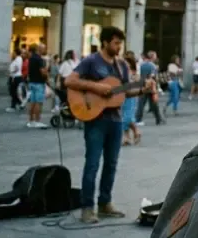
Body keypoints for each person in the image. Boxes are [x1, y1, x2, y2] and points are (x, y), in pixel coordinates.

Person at [64, 27, 152, 224]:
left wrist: (141, 90)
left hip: (116, 120)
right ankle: (87, 207)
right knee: (93, 163)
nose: (118, 47)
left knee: (111, 164)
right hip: (95, 119)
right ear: (104, 42)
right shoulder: (91, 61)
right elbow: (69, 81)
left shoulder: (121, 65)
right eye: (115, 43)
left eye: (120, 43)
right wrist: (96, 87)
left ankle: (105, 203)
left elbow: (122, 92)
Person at [137, 51, 163, 125]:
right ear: (152, 57)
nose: (156, 57)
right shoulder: (153, 66)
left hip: (142, 86)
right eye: (155, 56)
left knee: (141, 104)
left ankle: (138, 119)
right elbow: (153, 77)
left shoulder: (141, 65)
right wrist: (157, 87)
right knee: (154, 104)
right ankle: (158, 119)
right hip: (151, 87)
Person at [26, 44, 49, 129]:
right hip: (39, 83)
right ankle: (37, 121)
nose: (45, 50)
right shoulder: (40, 59)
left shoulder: (31, 58)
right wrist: (46, 73)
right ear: (40, 49)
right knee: (38, 103)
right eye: (44, 49)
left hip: (32, 82)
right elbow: (43, 72)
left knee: (32, 102)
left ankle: (31, 120)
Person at [121, 56, 142, 146]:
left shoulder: (133, 73)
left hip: (131, 97)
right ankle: (127, 137)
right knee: (123, 116)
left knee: (128, 117)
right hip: (122, 96)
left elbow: (137, 82)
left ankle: (136, 131)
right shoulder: (120, 72)